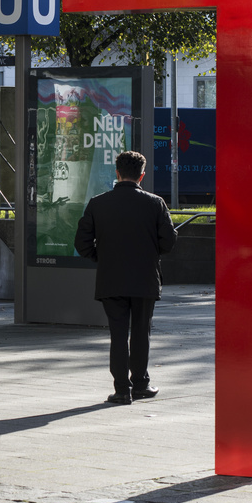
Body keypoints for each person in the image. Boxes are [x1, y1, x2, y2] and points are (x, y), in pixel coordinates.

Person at [74, 150, 178, 405]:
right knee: (141, 332)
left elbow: (82, 243)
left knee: (118, 334)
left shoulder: (98, 203)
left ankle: (121, 390)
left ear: (117, 173)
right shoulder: (155, 203)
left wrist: (102, 256)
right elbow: (168, 242)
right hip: (145, 278)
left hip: (112, 278)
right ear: (142, 175)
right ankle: (141, 384)